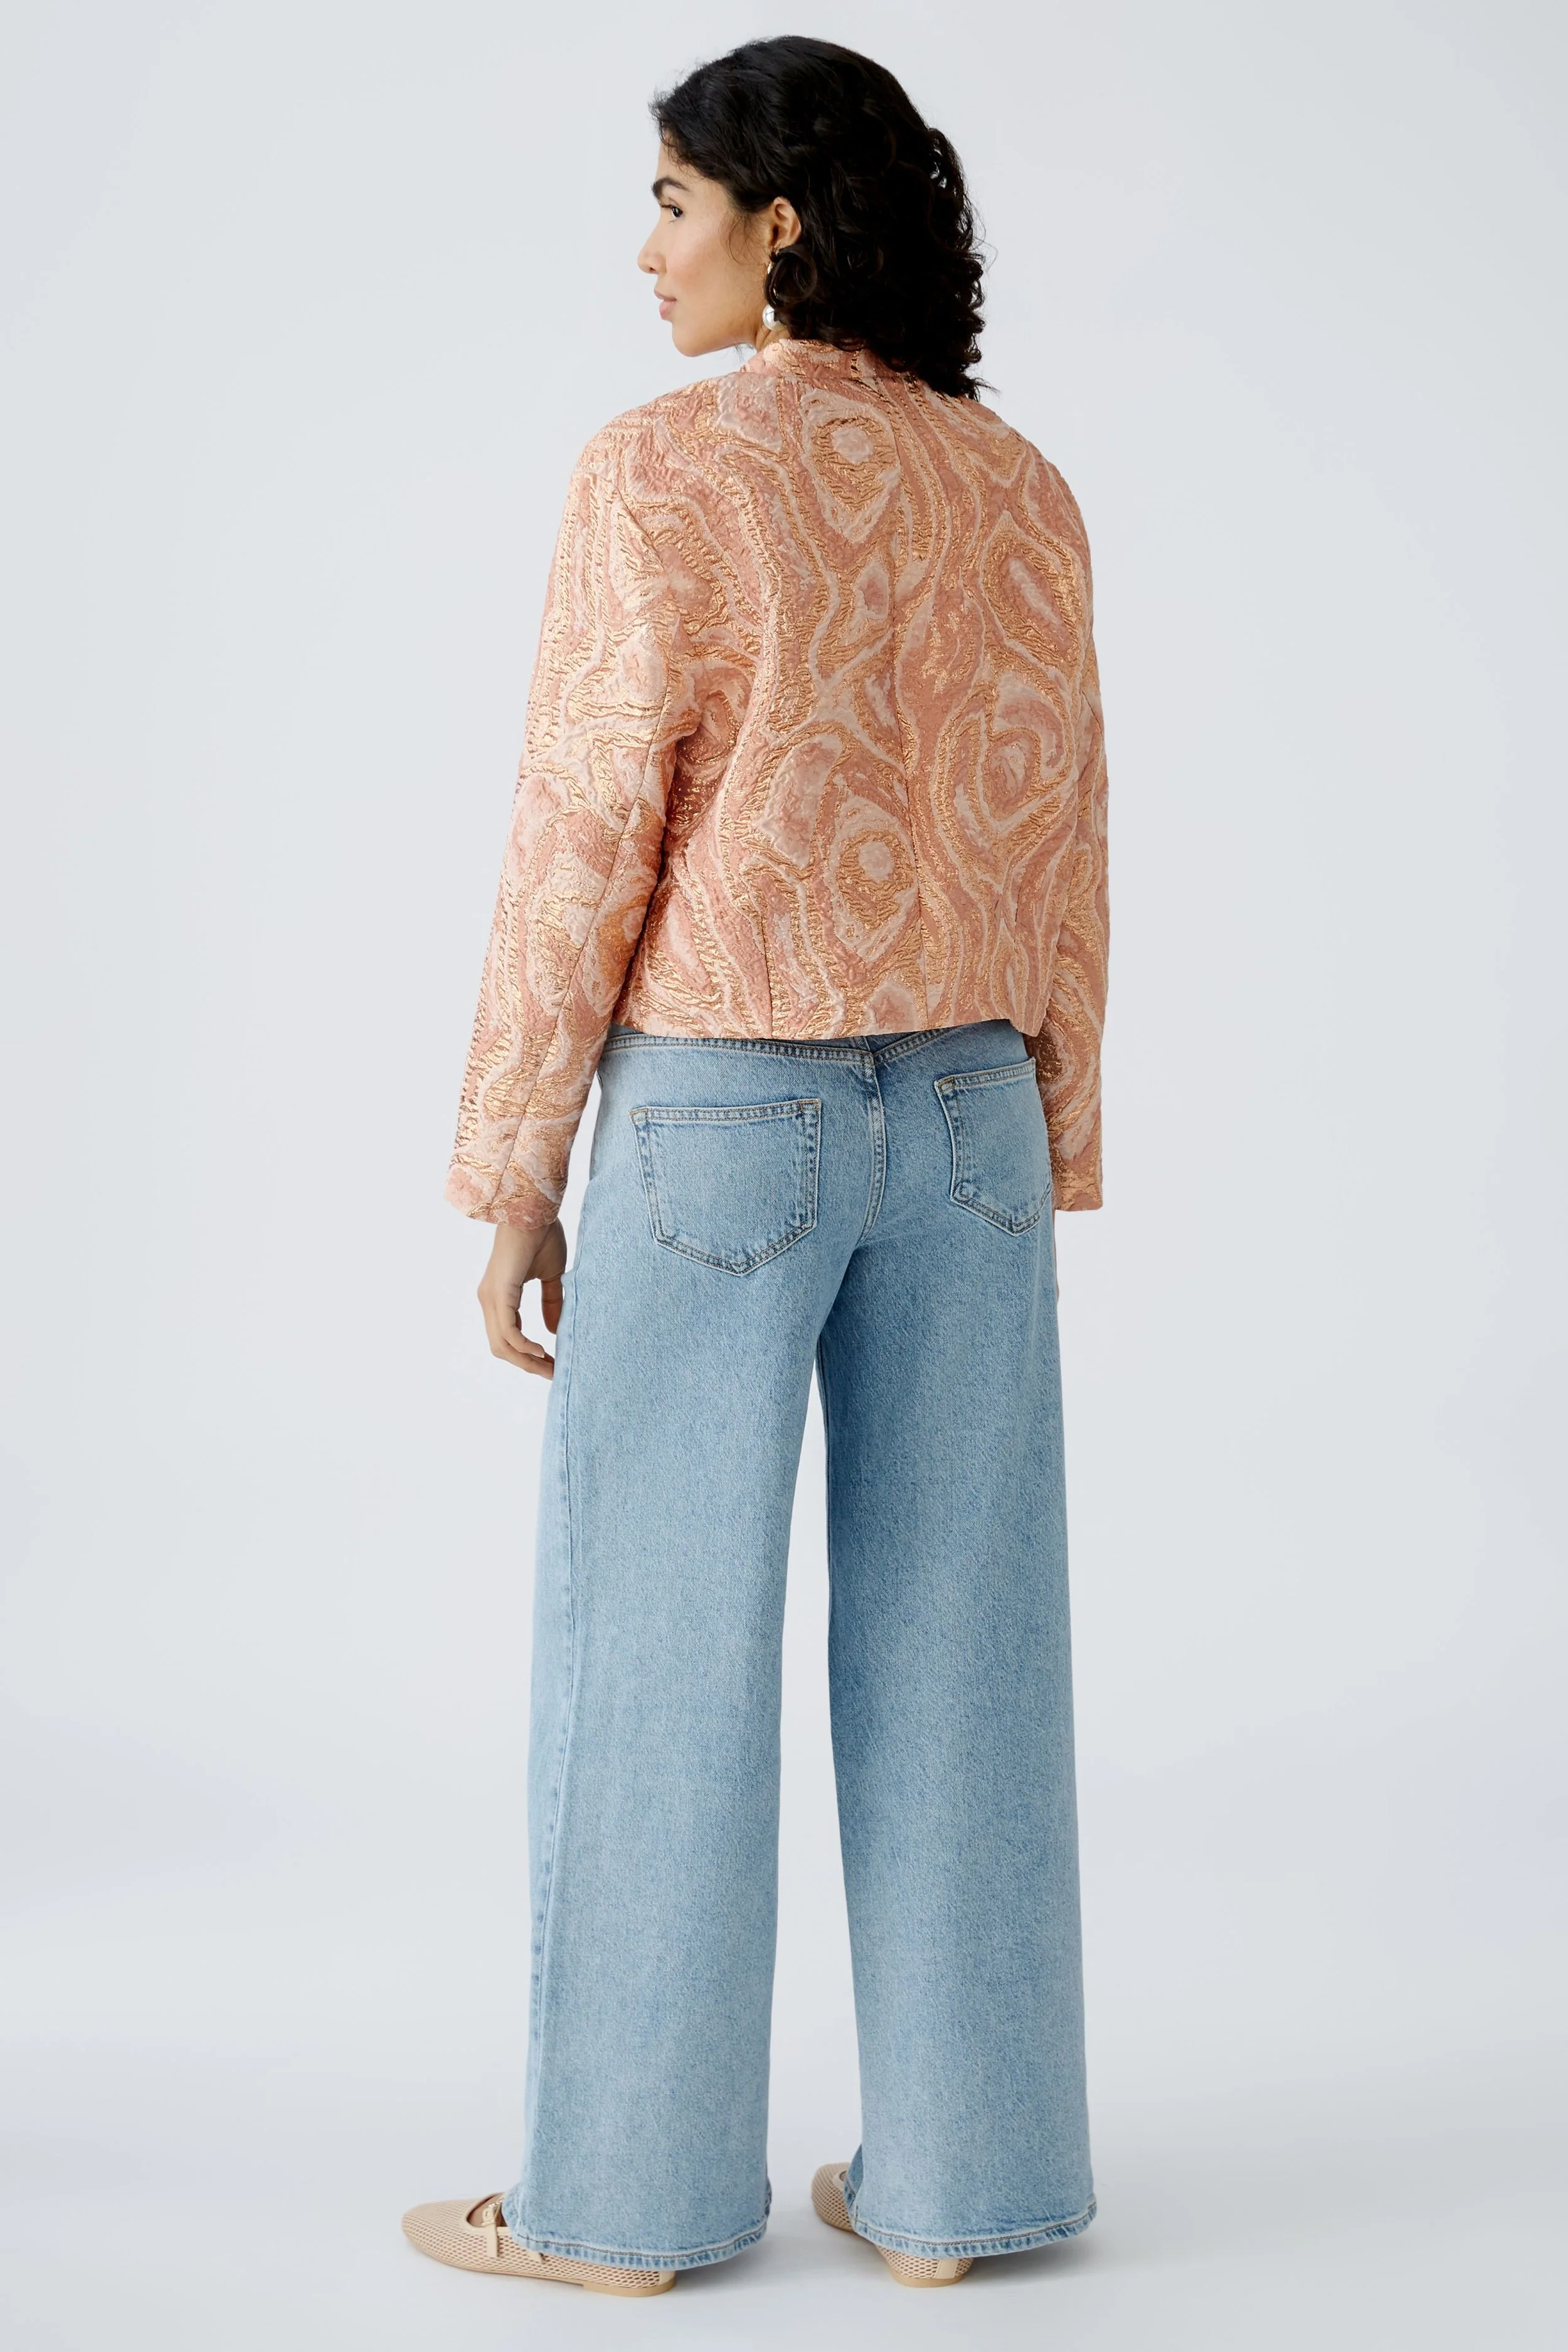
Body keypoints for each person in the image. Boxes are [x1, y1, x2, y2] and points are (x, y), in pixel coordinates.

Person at [402, 33, 1108, 2299]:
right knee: (970, 1645)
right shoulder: (1015, 482)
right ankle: (968, 2185)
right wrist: (1058, 1117)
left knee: (659, 1651)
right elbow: (1066, 824)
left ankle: (619, 2202)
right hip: (970, 1110)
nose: (645, 252)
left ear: (775, 224)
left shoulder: (659, 472)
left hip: (723, 1109)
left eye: (671, 206)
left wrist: (517, 1162)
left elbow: (582, 827)